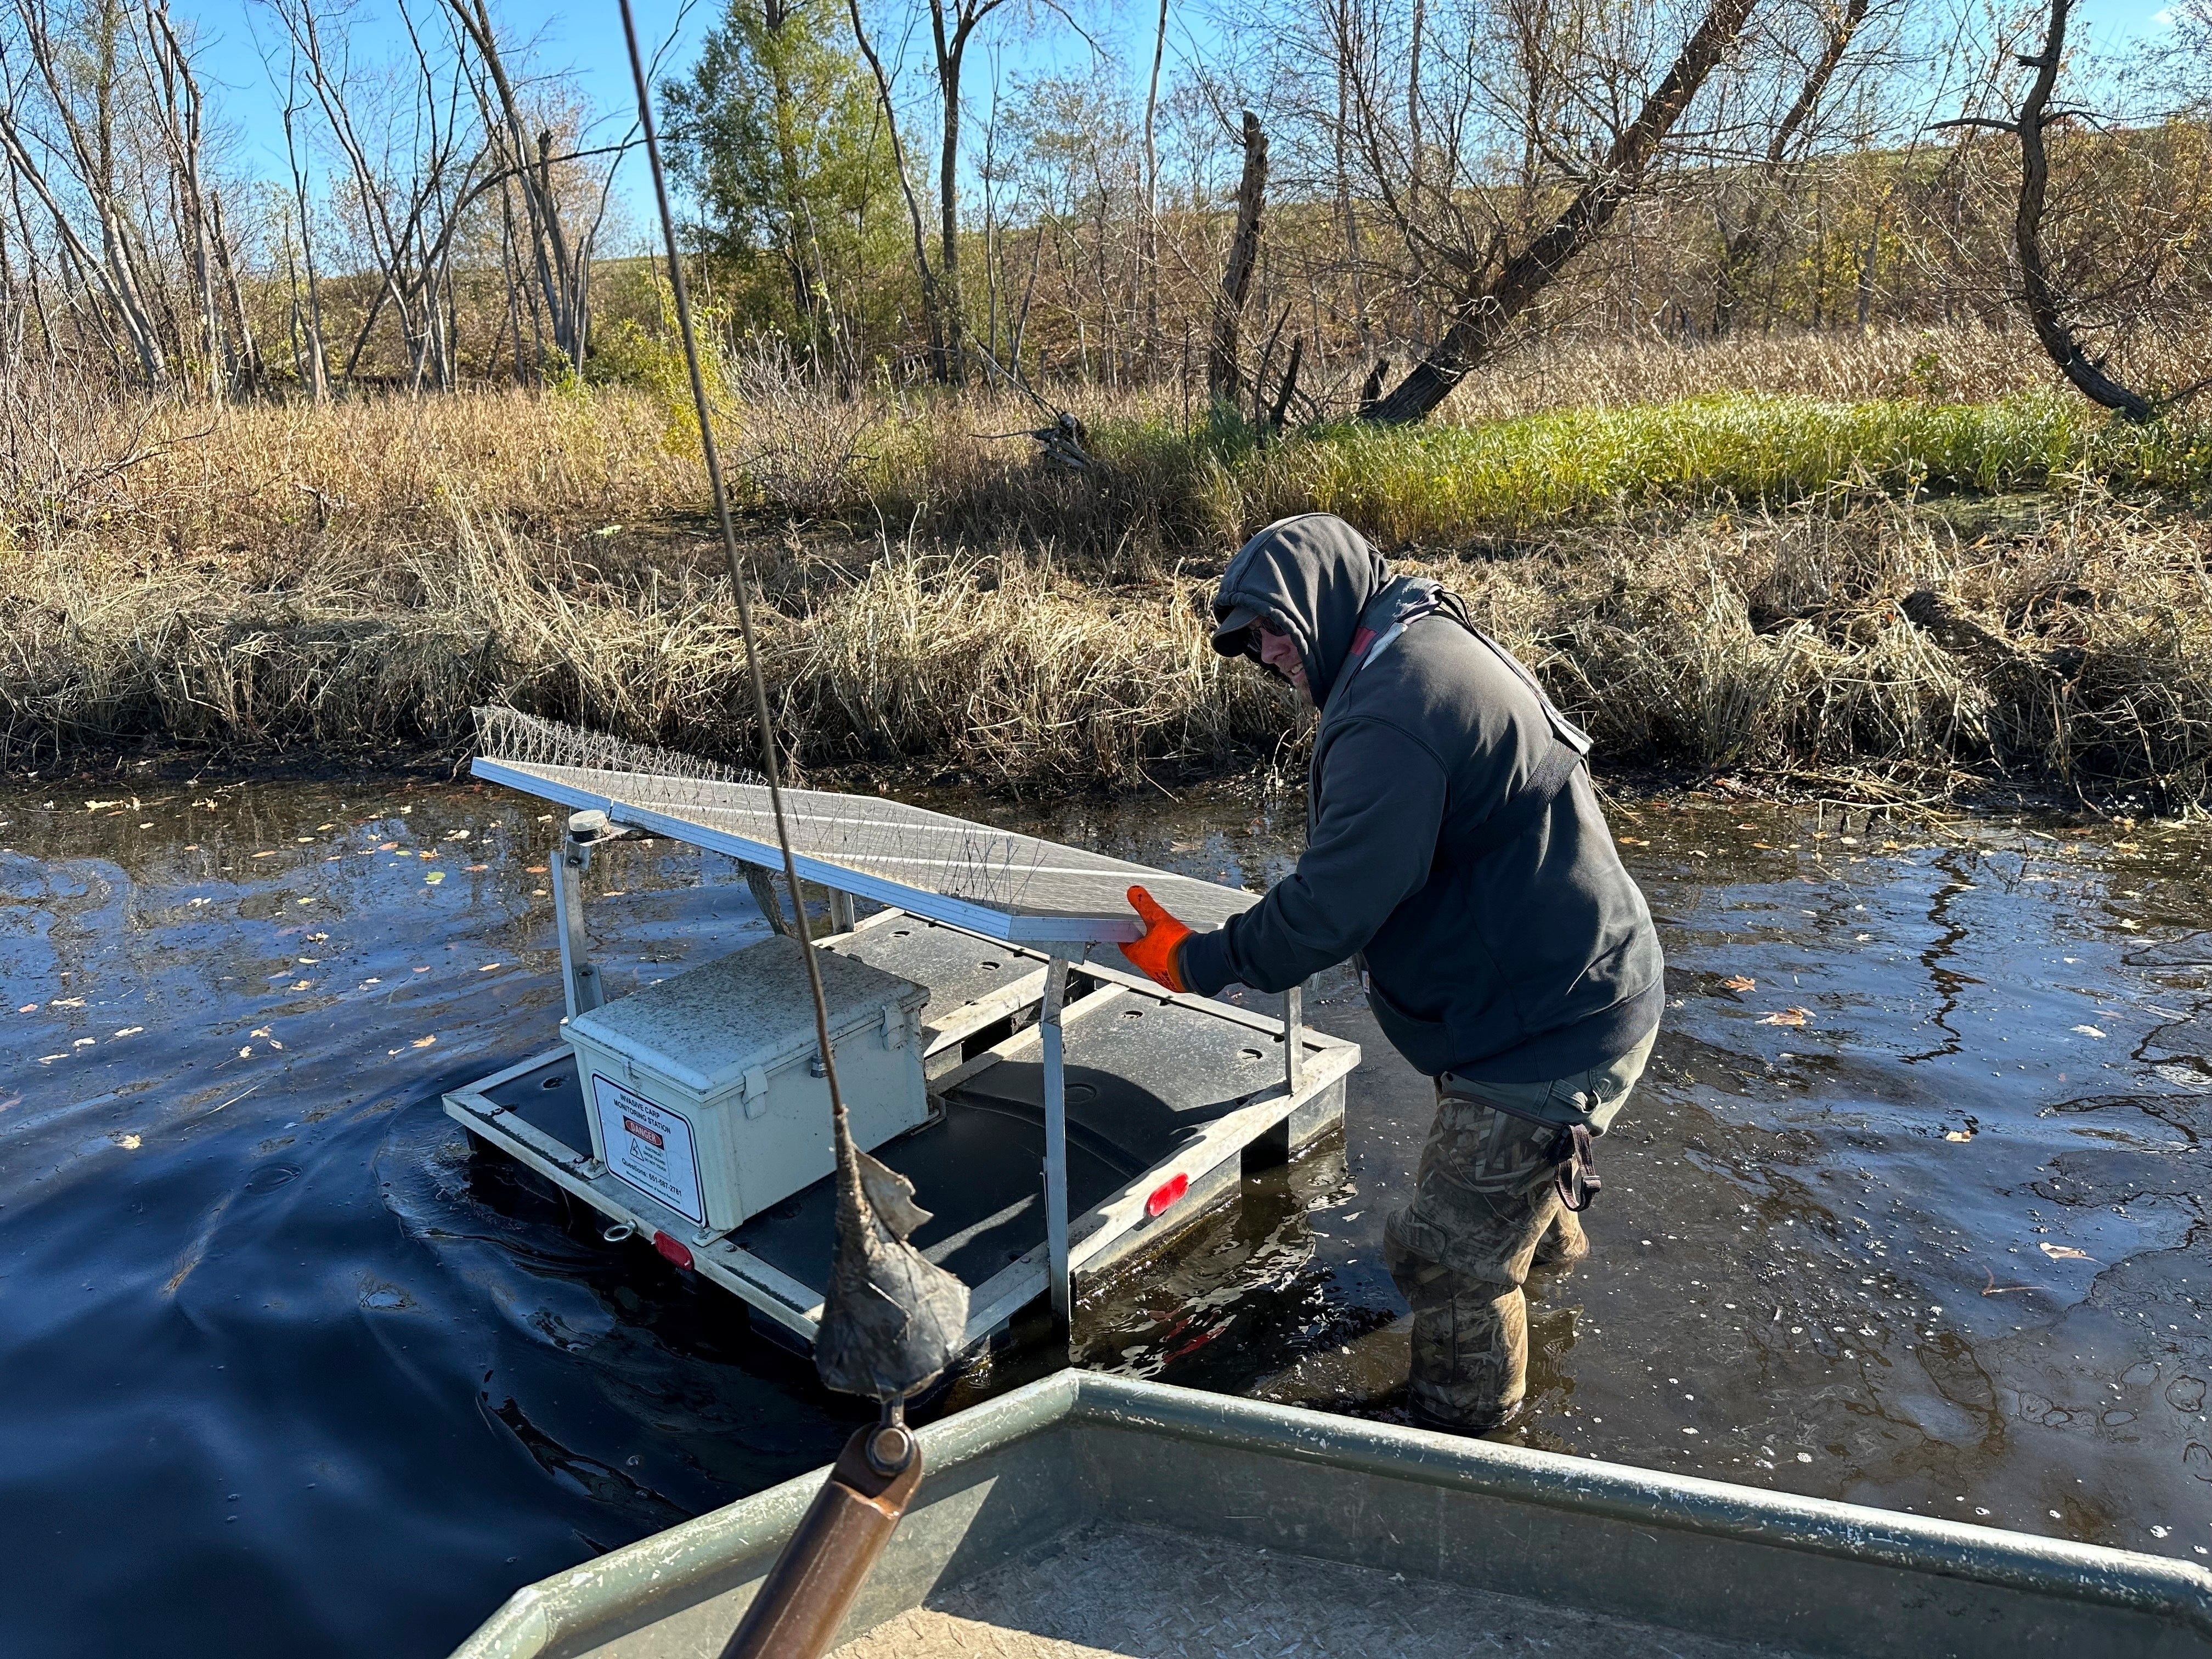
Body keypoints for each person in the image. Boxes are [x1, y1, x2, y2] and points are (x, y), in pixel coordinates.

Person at [1117, 513, 1663, 1435]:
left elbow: (1331, 908)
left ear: (1322, 603)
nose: (1270, 656)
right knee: (1511, 1202)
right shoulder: (1418, 638)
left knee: (1446, 1260)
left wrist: (1194, 958)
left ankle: (1469, 1443)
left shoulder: (1393, 709)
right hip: (1572, 987)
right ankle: (1555, 1294)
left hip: (1546, 1030)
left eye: (1277, 630)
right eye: (1252, 642)